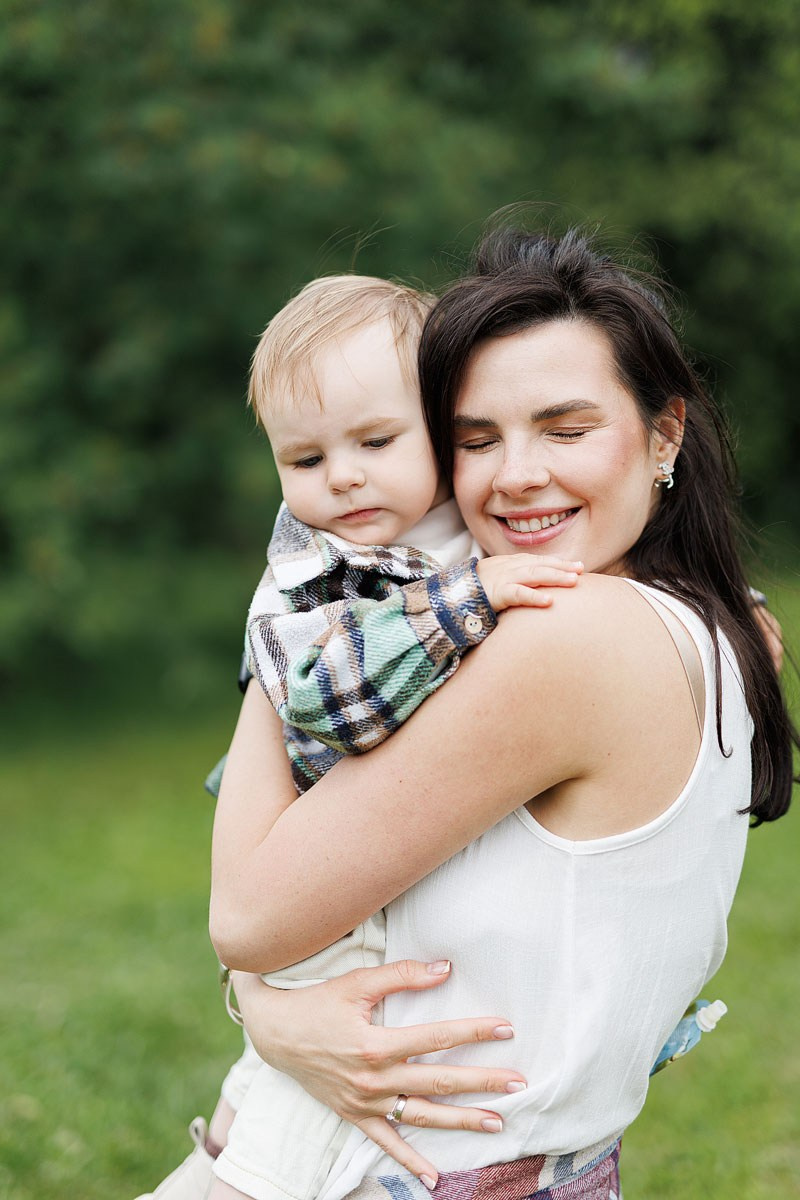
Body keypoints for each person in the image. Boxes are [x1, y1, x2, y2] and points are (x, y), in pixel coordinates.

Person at [207, 225, 796, 1200]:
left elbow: (248, 915)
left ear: (664, 434)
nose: (514, 474)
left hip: (398, 1169)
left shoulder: (567, 640)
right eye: (474, 440)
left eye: (564, 430)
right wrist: (269, 1010)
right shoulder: (707, 625)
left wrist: (273, 653)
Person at [136, 272, 580, 1200]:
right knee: (333, 1057)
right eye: (304, 459)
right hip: (326, 864)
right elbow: (329, 704)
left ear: (438, 425)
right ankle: (249, 1172)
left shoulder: (470, 520)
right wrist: (466, 603)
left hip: (413, 854)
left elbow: (595, 573)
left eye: (375, 441)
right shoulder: (313, 579)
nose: (341, 476)